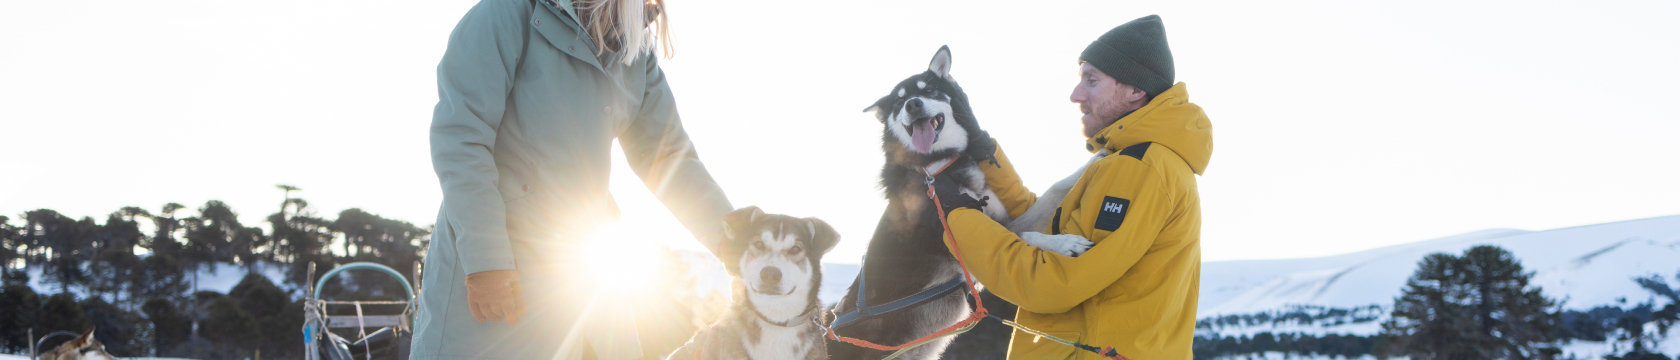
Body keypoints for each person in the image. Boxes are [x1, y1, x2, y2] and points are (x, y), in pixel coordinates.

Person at [412, 0, 733, 359]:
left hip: (587, 272)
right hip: (500, 274)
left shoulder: (636, 48)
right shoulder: (505, 13)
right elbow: (461, 139)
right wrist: (487, 261)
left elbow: (668, 158)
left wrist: (735, 240)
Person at [930, 15, 1212, 360]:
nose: (1076, 95)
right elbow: (1046, 227)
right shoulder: (1132, 160)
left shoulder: (1139, 169)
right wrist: (984, 152)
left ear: (1136, 90)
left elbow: (1052, 282)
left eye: (1092, 80)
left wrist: (956, 217)